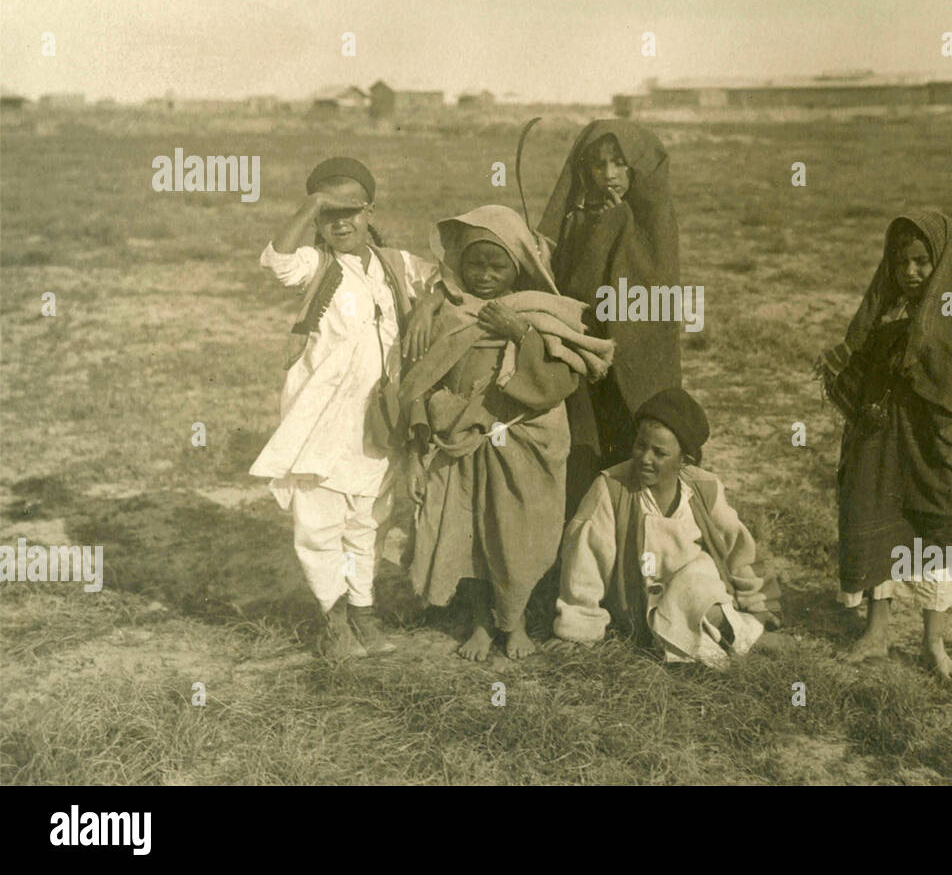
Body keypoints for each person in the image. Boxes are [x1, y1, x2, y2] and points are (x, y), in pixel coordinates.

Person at [398, 205, 614, 660]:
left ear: (517, 267)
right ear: (460, 262)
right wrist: (425, 415)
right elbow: (421, 375)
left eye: (498, 265)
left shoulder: (539, 311)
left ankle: (512, 622)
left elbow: (562, 378)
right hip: (464, 441)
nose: (484, 275)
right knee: (473, 534)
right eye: (475, 263)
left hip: (522, 441)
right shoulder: (447, 310)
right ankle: (480, 624)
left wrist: (518, 332)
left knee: (517, 533)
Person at [250, 157, 433, 659]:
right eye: (329, 215)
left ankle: (364, 614)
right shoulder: (316, 262)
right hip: (323, 417)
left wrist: (428, 312)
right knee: (319, 519)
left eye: (351, 211)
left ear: (370, 212)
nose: (341, 223)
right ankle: (333, 620)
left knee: (368, 517)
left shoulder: (398, 264)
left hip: (376, 416)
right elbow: (277, 261)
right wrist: (310, 205)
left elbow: (444, 285)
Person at [816, 211, 952, 679]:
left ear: (943, 266)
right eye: (901, 262)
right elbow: (863, 357)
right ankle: (875, 633)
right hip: (883, 440)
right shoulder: (889, 310)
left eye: (922, 262)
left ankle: (933, 643)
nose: (910, 272)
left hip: (933, 444)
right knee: (878, 516)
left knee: (933, 529)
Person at [550, 387, 782, 668]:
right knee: (692, 602)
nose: (645, 458)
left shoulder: (704, 488)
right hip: (646, 599)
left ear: (685, 459)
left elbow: (737, 549)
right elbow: (585, 561)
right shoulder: (611, 489)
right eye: (640, 445)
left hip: (702, 588)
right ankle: (747, 640)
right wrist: (579, 629)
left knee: (698, 581)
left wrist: (758, 602)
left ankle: (734, 636)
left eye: (659, 453)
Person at [539, 120, 681, 515]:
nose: (609, 175)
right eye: (598, 165)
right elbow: (572, 284)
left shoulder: (655, 219)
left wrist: (614, 227)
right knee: (586, 445)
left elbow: (650, 291)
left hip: (636, 354)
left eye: (619, 163)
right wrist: (597, 228)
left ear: (636, 167)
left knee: (635, 441)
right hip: (585, 352)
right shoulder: (577, 218)